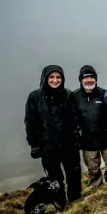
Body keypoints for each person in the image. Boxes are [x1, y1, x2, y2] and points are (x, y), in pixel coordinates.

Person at [24, 65, 82, 204]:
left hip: (69, 144)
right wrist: (34, 145)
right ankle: (60, 203)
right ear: (45, 78)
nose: (55, 80)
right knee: (55, 177)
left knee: (73, 174)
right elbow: (30, 122)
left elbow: (75, 118)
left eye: (58, 77)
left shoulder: (68, 95)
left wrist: (77, 138)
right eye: (51, 77)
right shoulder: (35, 97)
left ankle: (75, 201)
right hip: (48, 146)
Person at [74, 65, 107, 187]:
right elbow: (72, 118)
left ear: (96, 79)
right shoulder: (74, 97)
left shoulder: (104, 94)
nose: (89, 80)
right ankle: (97, 188)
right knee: (93, 169)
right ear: (81, 80)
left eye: (91, 77)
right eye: (86, 78)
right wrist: (77, 136)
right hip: (87, 141)